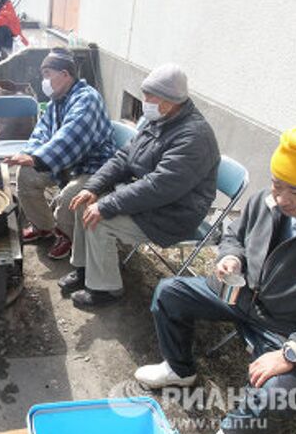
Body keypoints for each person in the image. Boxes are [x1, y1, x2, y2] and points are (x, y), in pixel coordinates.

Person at [135, 124, 296, 434]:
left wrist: (295, 354)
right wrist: (232, 257)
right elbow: (234, 235)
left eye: (295, 191)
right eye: (276, 185)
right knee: (170, 292)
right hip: (241, 294)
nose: (281, 198)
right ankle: (179, 368)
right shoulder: (267, 200)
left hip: (289, 329)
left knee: (277, 392)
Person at [65, 64, 220, 307]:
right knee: (83, 202)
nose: (144, 100)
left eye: (149, 96)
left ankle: (105, 289)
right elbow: (123, 157)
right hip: (151, 202)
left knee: (99, 219)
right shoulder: (160, 120)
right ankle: (86, 270)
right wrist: (93, 188)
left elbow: (159, 186)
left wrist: (107, 205)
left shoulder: (194, 137)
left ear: (168, 102)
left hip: (173, 214)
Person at [4, 48, 115, 260]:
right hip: (66, 161)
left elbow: (71, 136)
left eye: (47, 74)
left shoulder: (87, 99)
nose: (43, 80)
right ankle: (44, 227)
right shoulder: (58, 99)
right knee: (26, 175)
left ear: (65, 74)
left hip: (94, 167)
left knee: (68, 199)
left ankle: (68, 235)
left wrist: (37, 159)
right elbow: (42, 131)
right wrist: (28, 154)